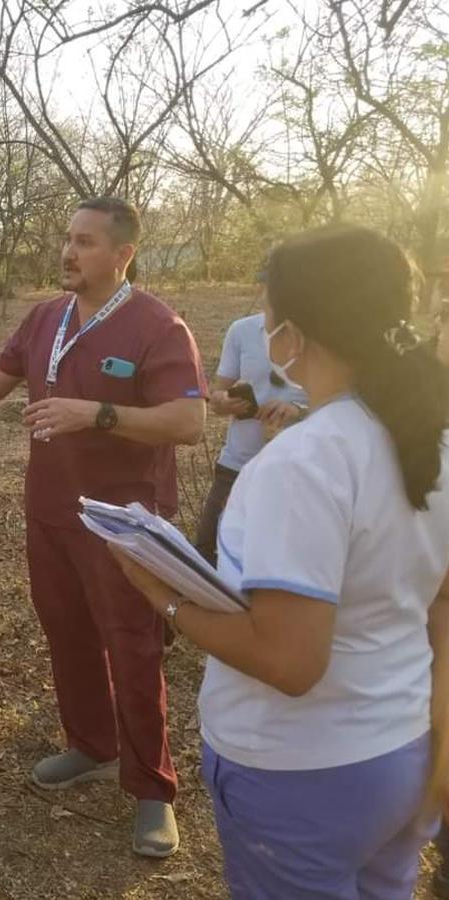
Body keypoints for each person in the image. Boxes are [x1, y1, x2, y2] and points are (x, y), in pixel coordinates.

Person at [111, 223, 449, 898]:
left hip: (301, 774)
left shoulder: (303, 461)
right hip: (400, 750)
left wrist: (163, 595)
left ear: (291, 335)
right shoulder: (428, 438)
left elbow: (290, 662)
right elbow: (438, 603)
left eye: (267, 308)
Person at [0, 197, 206, 857]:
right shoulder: (45, 317)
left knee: (132, 645)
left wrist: (97, 414)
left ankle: (151, 788)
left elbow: (189, 422)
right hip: (50, 509)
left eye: (85, 242)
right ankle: (91, 744)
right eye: (68, 238)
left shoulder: (158, 326)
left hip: (122, 522)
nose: (68, 251)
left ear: (123, 254)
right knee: (67, 630)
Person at [197, 284, 308, 565]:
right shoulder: (242, 330)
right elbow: (218, 391)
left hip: (294, 471)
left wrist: (297, 411)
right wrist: (223, 401)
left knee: (269, 561)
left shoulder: (323, 337)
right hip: (236, 464)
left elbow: (342, 405)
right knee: (206, 554)